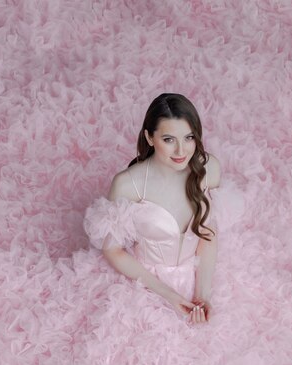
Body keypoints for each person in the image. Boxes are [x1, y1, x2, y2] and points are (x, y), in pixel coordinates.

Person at [84, 93, 221, 325]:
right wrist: (169, 295)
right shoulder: (128, 185)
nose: (180, 151)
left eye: (188, 137)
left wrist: (202, 295)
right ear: (149, 137)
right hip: (146, 283)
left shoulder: (208, 169)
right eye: (168, 139)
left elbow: (208, 234)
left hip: (202, 271)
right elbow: (113, 250)